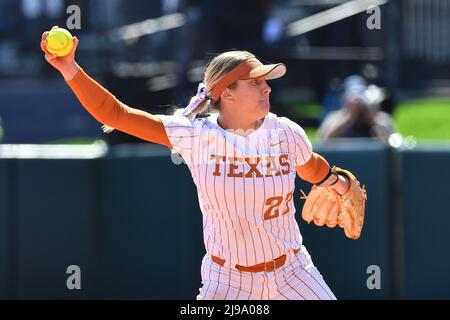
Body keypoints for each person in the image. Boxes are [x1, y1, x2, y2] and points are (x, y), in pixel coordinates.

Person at [40, 26, 362, 300]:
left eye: (266, 80)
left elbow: (311, 166)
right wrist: (70, 69)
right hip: (229, 282)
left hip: (293, 272)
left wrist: (338, 182)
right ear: (227, 93)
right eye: (255, 82)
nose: (267, 87)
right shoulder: (196, 135)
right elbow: (115, 114)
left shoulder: (286, 132)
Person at [318, 79, 395, 143]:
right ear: (344, 99)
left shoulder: (380, 118)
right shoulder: (335, 118)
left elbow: (390, 142)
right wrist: (349, 118)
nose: (358, 102)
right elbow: (324, 142)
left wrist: (373, 120)